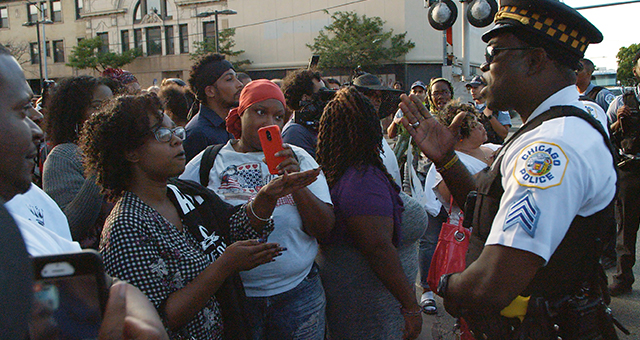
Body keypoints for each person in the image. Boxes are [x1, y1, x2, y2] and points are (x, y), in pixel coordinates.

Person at [399, 0, 619, 338]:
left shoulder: (551, 146)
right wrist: (447, 160)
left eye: (495, 54)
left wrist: (448, 286)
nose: (485, 68)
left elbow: (493, 282)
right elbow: (492, 205)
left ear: (534, 60)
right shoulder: (544, 129)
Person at [81, 93, 319, 339]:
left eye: (175, 131)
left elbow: (233, 226)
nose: (176, 141)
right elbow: (158, 319)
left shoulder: (182, 192)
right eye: (162, 135)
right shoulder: (126, 227)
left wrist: (266, 197)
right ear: (131, 152)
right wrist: (224, 266)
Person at [0, 43, 169, 340]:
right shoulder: (62, 157)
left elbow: (95, 276)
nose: (37, 124)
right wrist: (99, 165)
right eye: (20, 110)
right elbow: (77, 220)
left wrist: (136, 313)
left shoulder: (25, 205)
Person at [181, 79, 334, 340]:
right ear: (240, 114)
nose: (269, 123)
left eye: (278, 116)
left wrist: (295, 182)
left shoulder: (299, 157)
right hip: (235, 298)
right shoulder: (209, 161)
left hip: (298, 296)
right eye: (259, 112)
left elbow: (323, 229)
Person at [316, 87, 424, 340]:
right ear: (368, 127)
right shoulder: (361, 180)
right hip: (371, 310)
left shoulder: (350, 171)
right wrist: (410, 306)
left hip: (367, 303)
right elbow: (378, 248)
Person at [418, 101, 500, 315]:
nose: (482, 126)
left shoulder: (492, 149)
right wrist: (491, 171)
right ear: (460, 135)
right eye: (474, 125)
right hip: (469, 239)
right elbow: (450, 194)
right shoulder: (446, 165)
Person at [43, 76, 114, 249]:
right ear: (74, 113)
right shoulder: (64, 156)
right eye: (98, 106)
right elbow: (70, 226)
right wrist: (99, 164)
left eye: (112, 105)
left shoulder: (124, 151)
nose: (108, 113)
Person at [606, 49, 640, 296]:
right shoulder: (621, 100)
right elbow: (607, 133)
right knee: (626, 227)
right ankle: (623, 277)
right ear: (636, 70)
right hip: (630, 168)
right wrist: (619, 121)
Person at [184, 54, 244, 161]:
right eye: (229, 79)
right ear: (210, 91)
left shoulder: (231, 124)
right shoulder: (198, 133)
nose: (239, 84)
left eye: (237, 78)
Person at [352, 72, 403, 186]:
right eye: (371, 94)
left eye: (379, 96)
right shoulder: (352, 136)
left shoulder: (377, 135)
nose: (377, 100)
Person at [281, 69, 328, 158]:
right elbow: (312, 168)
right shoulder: (294, 132)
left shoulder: (311, 126)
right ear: (305, 98)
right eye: (322, 94)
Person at [466, 75, 512, 144]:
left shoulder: (498, 106)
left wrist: (490, 117)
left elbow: (503, 134)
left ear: (486, 88)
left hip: (494, 150)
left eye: (475, 87)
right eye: (470, 88)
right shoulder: (468, 108)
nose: (472, 91)